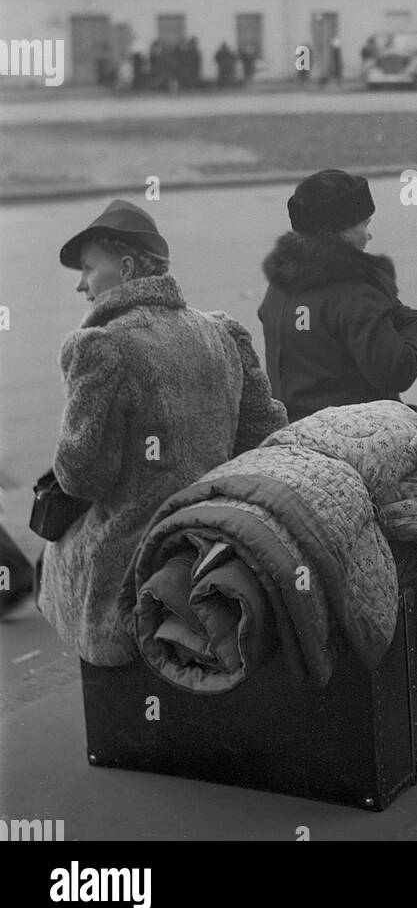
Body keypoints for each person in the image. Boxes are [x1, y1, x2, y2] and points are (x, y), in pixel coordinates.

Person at [36, 200, 287, 666]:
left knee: (51, 556)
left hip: (135, 551)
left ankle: (113, 682)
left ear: (126, 268)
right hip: (211, 528)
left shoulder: (101, 347)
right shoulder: (223, 332)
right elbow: (264, 436)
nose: (80, 284)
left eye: (89, 269)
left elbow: (83, 477)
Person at [258, 169, 417, 509]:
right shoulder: (354, 289)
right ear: (339, 232)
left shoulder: (279, 285)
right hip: (352, 433)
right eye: (363, 224)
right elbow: (396, 370)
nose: (369, 235)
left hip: (296, 427)